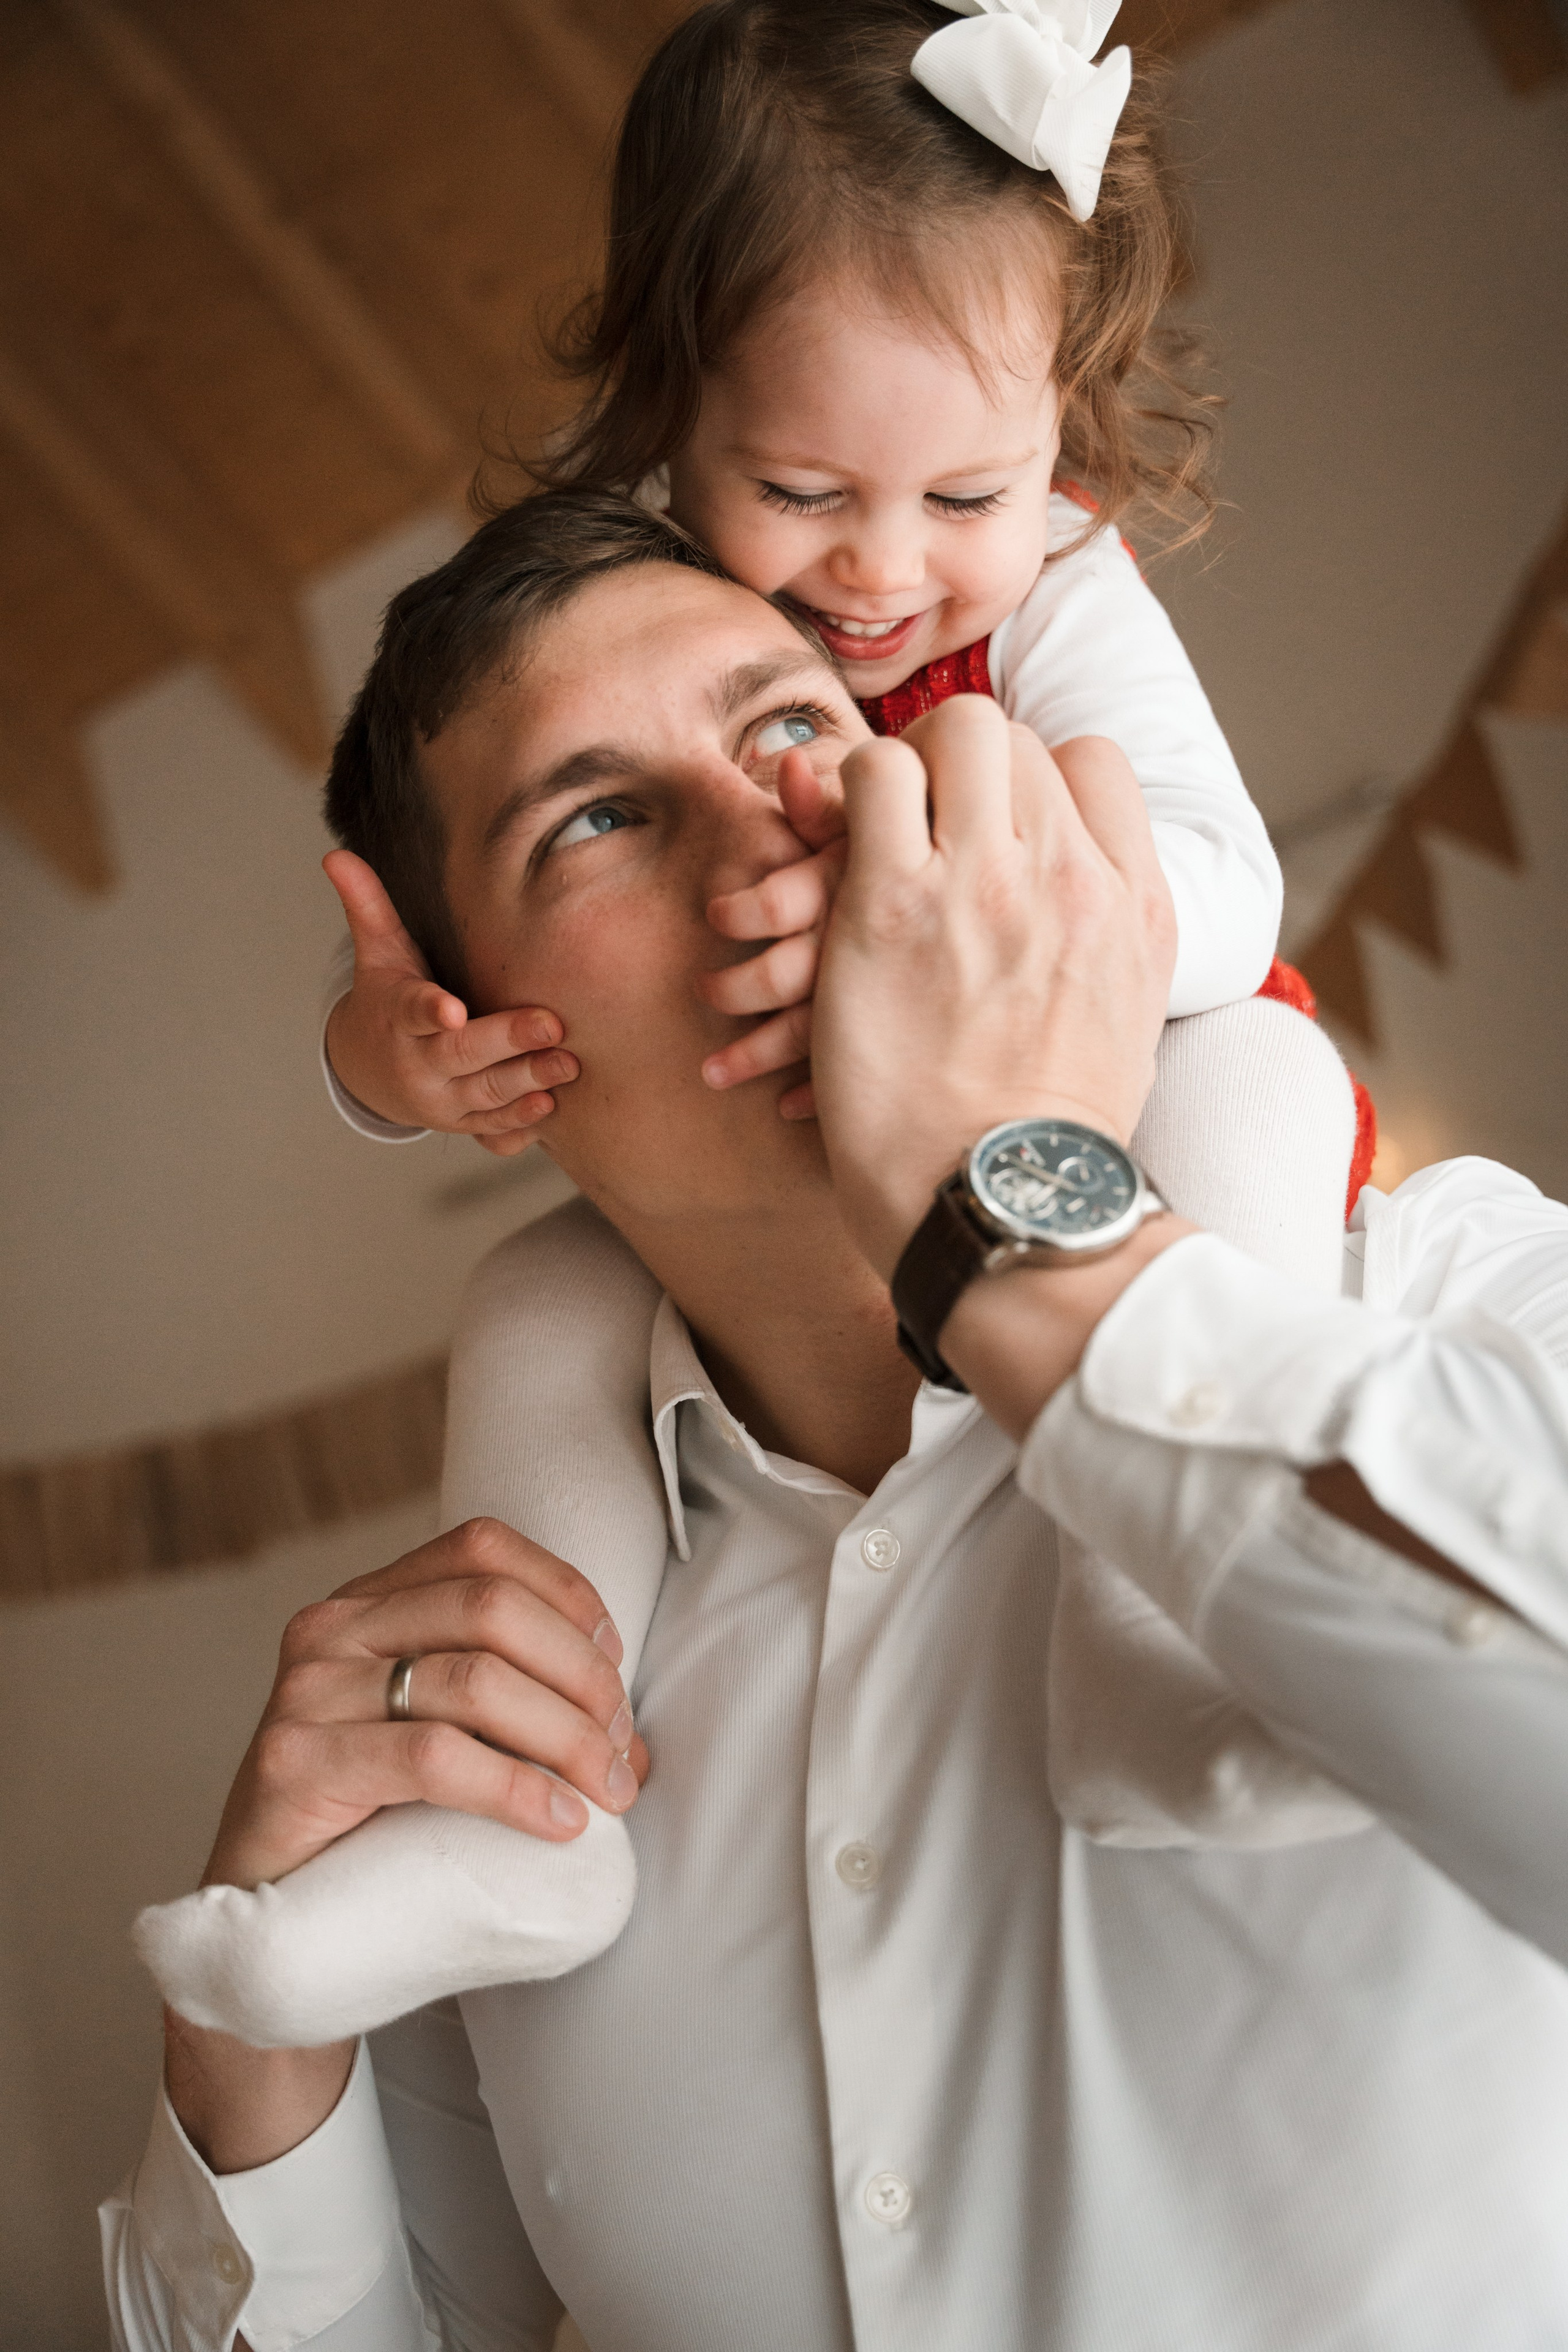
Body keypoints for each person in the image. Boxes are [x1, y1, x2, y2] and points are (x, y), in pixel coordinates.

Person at [108, 498, 1568, 2352]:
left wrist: (1023, 1230)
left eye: (796, 726)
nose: (764, 847)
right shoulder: (494, 1753)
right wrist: (246, 2048)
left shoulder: (1464, 1312)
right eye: (601, 818)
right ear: (463, 1034)